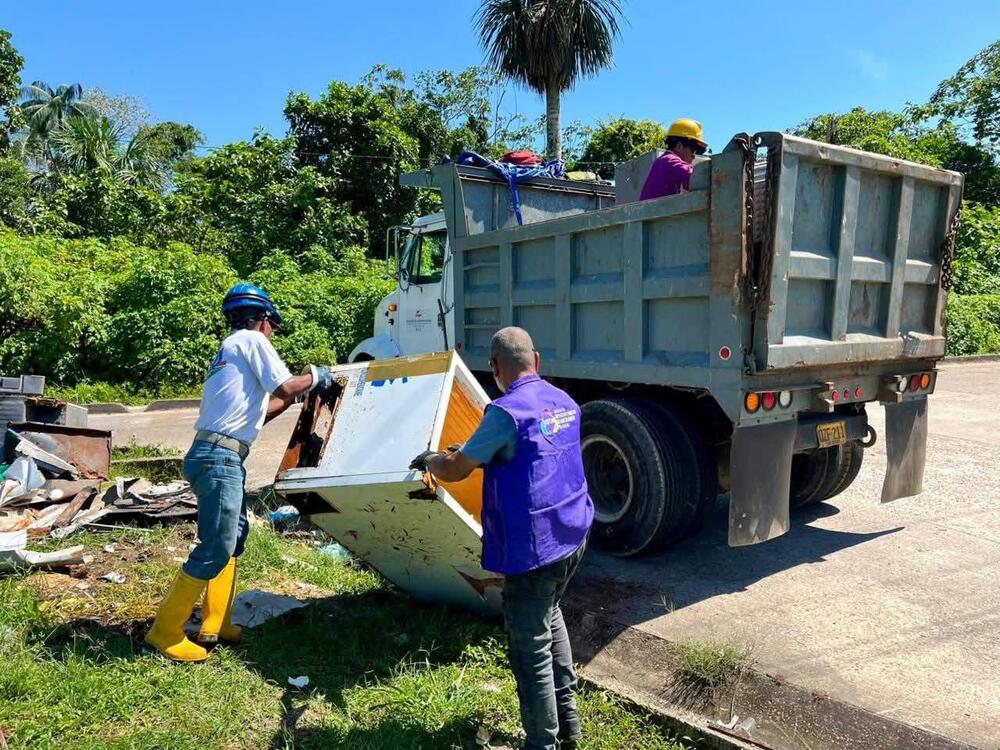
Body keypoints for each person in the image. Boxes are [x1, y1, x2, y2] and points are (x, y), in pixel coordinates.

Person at [410, 327, 594, 750]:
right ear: (537, 360)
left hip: (535, 549)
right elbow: (534, 453)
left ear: (494, 367)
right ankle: (569, 727)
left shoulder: (505, 412)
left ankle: (542, 743)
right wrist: (476, 450)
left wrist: (433, 460)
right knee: (550, 613)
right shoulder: (564, 401)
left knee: (530, 650)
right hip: (573, 534)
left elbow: (455, 471)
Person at [145, 283, 332, 662]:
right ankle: (164, 631)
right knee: (216, 545)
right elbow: (287, 386)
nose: (272, 333)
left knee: (234, 539)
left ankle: (216, 623)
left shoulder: (230, 350)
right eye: (273, 326)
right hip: (220, 459)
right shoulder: (252, 339)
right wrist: (316, 375)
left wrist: (293, 396)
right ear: (262, 319)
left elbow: (260, 413)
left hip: (215, 454)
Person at [639, 118, 709, 201]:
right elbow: (697, 178)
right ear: (679, 146)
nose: (694, 156)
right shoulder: (670, 161)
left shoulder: (663, 161)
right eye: (694, 150)